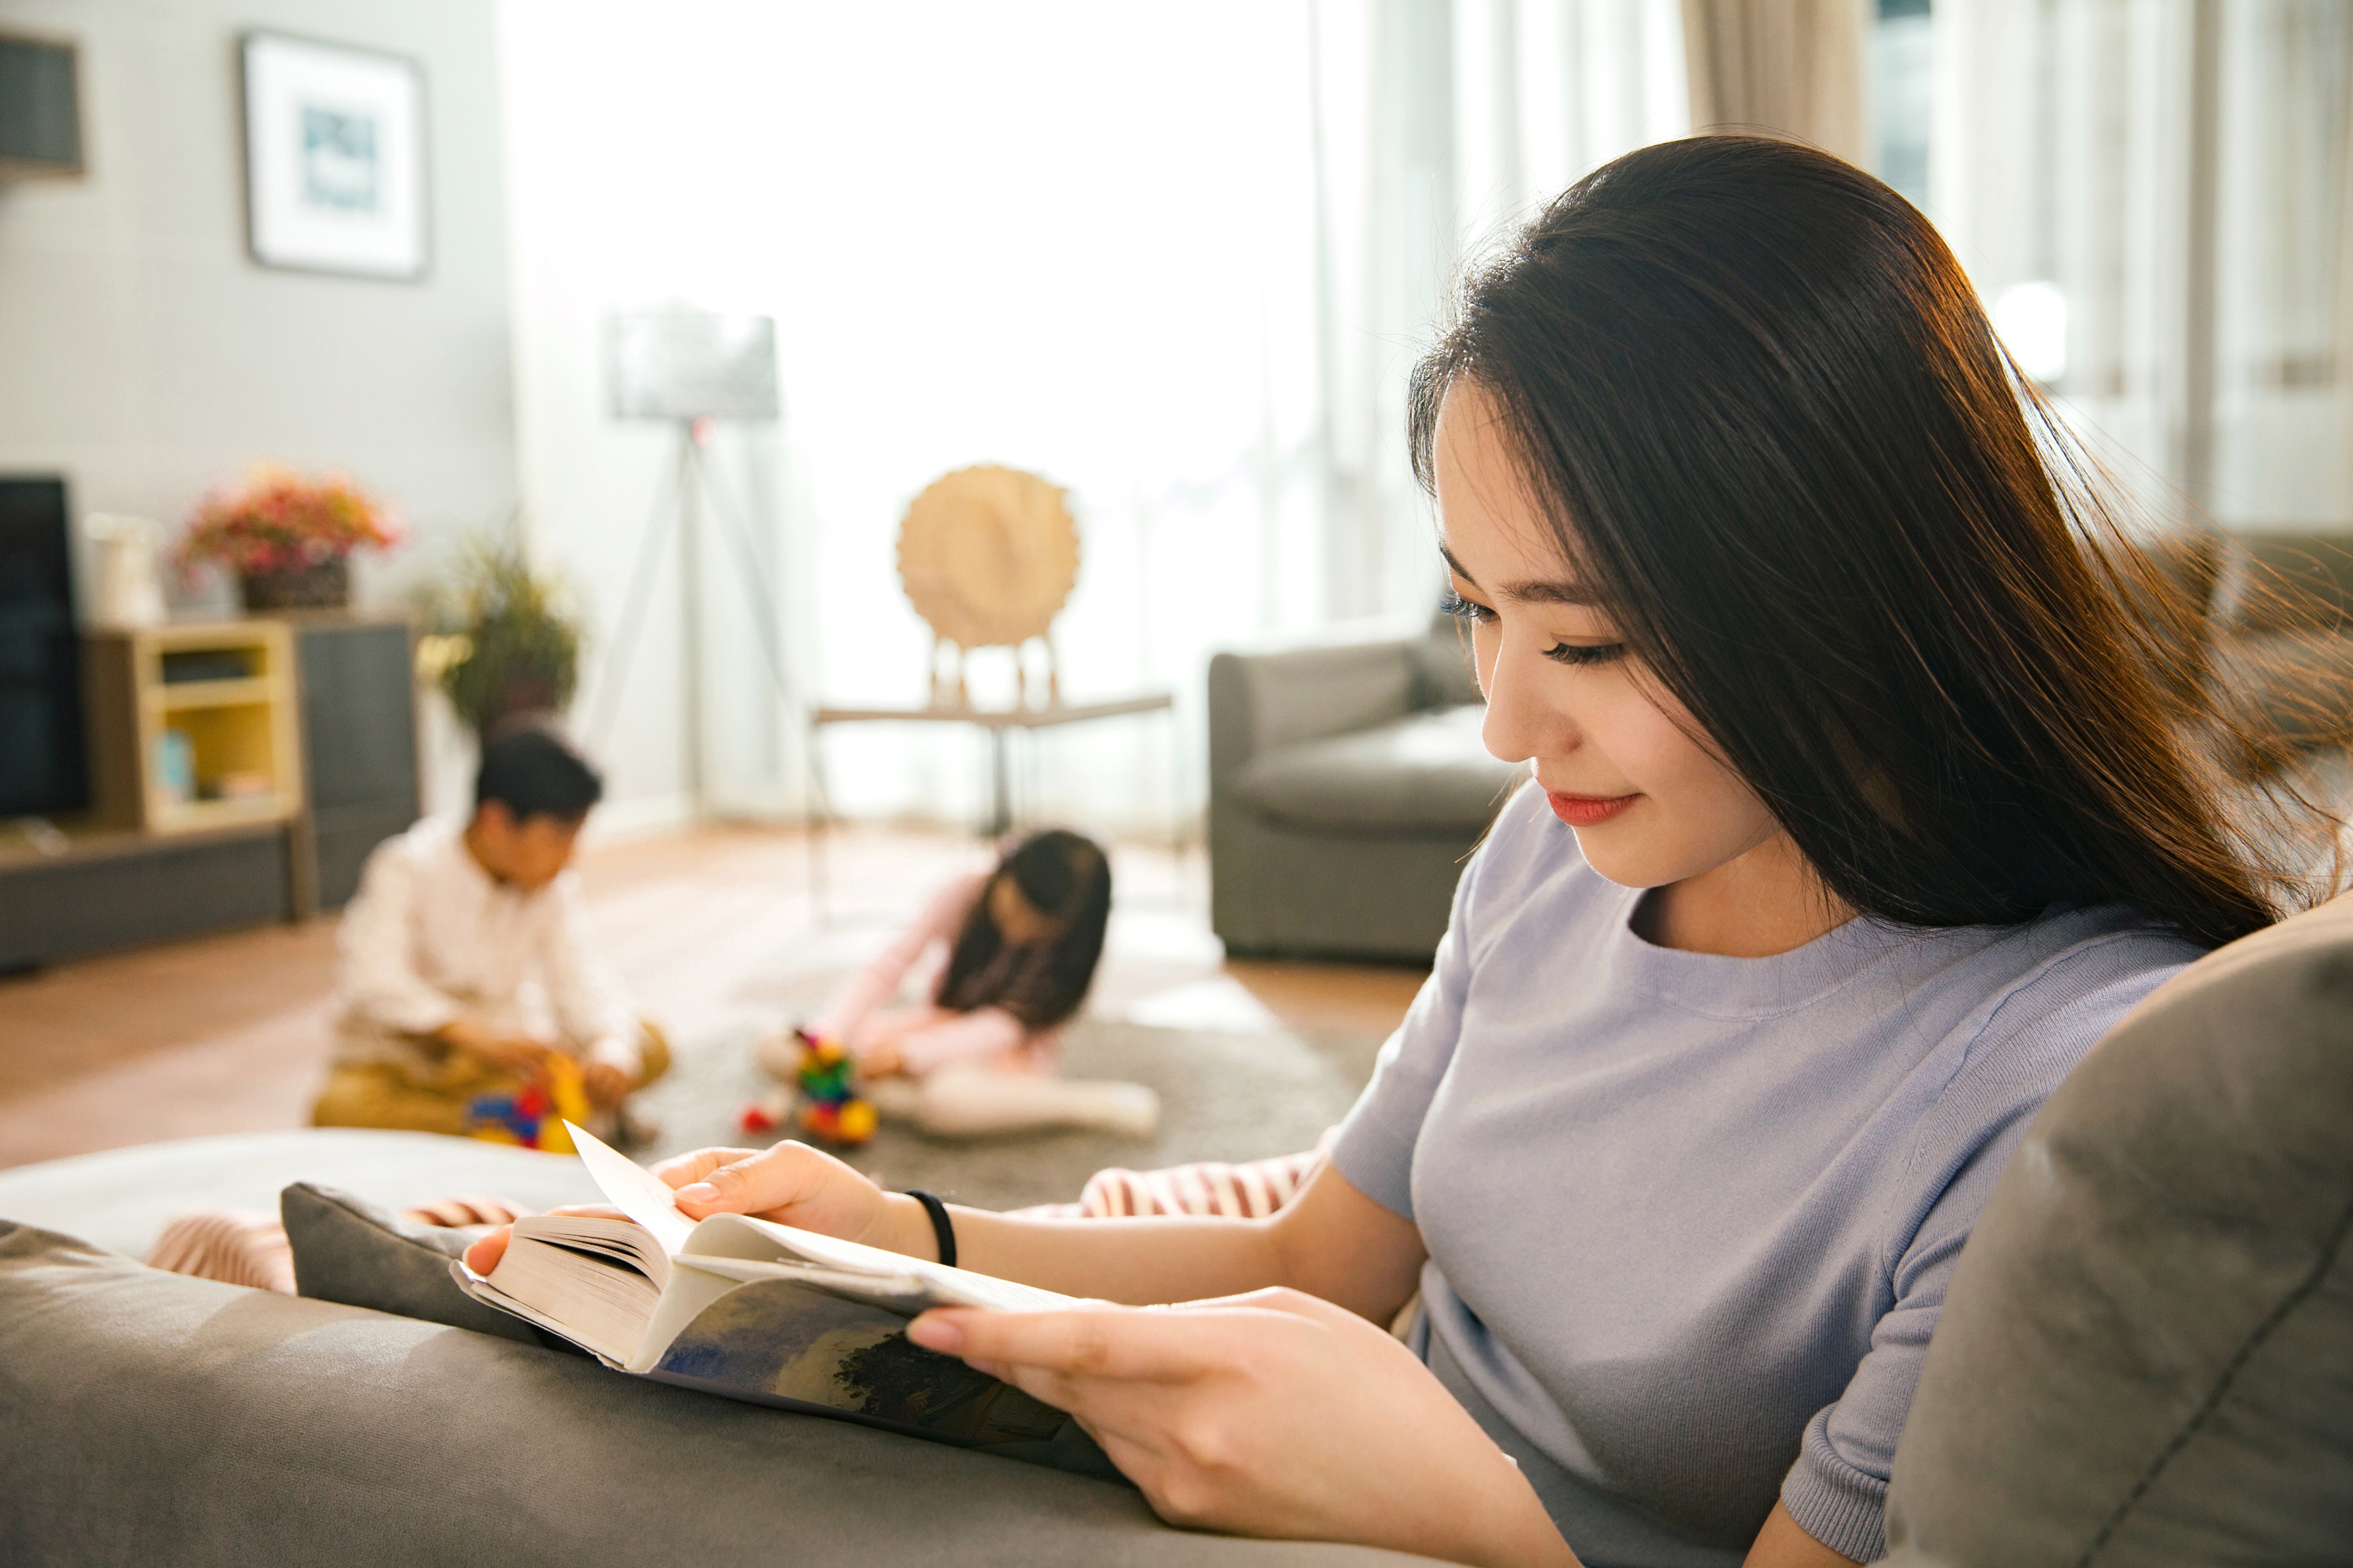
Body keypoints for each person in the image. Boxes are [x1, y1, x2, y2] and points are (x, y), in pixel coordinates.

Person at [471, 138, 2326, 1567]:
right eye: (1475, 612)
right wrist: (918, 1231)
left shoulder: (2041, 1078)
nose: (1511, 727)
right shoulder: (1558, 853)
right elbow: (1318, 1250)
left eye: (1585, 639)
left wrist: (1462, 1511)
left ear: (1848, 600)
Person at [313, 724, 668, 1145]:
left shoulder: (550, 885)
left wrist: (610, 1045)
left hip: (508, 1058)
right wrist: (472, 1035)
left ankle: (511, 1122)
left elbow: (580, 975)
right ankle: (519, 1123)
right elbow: (372, 979)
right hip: (405, 1063)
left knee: (649, 1043)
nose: (570, 856)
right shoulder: (406, 866)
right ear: (496, 821)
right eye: (558, 838)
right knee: (338, 1109)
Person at [760, 828, 1158, 1138]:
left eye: (1038, 927)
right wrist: (827, 1039)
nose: (1019, 930)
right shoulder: (967, 890)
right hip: (938, 1026)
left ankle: (1086, 1103)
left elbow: (1000, 1028)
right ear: (1006, 871)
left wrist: (907, 1055)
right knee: (774, 1044)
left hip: (1003, 1057)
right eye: (1016, 907)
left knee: (947, 1101)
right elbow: (891, 963)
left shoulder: (1063, 954)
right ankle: (872, 1093)